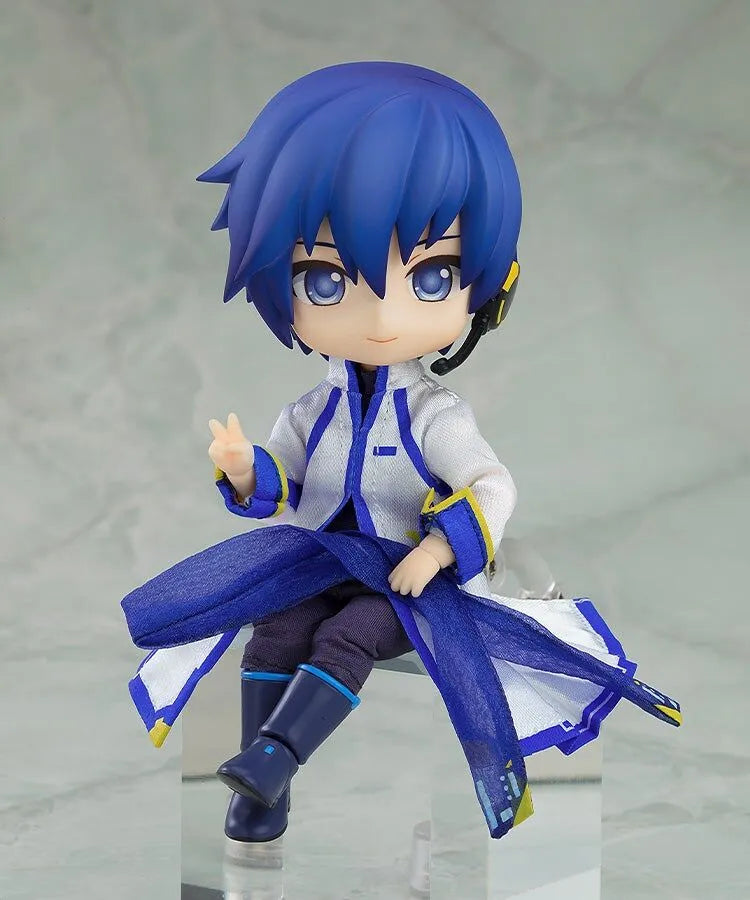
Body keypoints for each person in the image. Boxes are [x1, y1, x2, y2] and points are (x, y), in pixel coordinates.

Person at [122, 62, 681, 845]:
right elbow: (284, 480)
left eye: (431, 276)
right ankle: (260, 795)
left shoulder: (434, 413)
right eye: (326, 281)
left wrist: (438, 550)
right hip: (320, 562)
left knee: (347, 637)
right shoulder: (312, 409)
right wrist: (245, 469)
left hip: (404, 579)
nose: (381, 315)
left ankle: (276, 759)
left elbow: (492, 485)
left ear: (487, 286)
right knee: (275, 630)